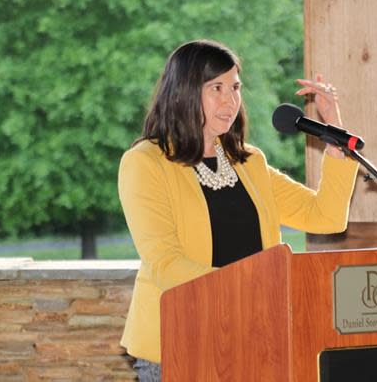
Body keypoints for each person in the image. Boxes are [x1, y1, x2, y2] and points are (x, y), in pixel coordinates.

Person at [118, 39, 358, 381]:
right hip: (180, 345)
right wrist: (254, 291)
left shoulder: (249, 162)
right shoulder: (146, 163)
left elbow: (326, 217)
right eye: (216, 88)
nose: (230, 101)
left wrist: (334, 135)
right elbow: (166, 265)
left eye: (235, 87)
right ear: (184, 92)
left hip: (254, 344)